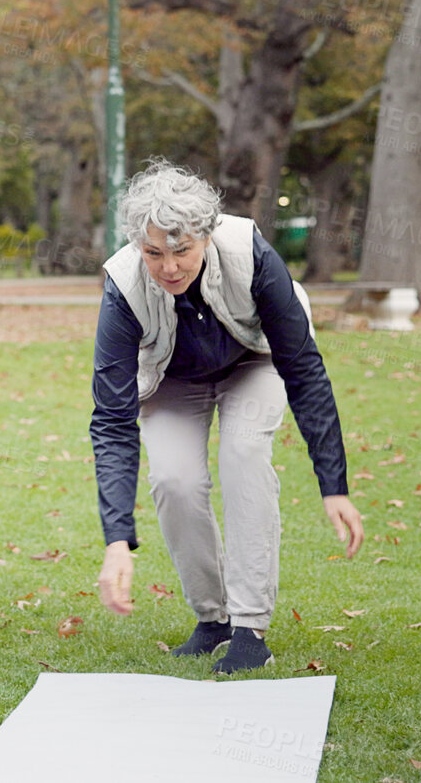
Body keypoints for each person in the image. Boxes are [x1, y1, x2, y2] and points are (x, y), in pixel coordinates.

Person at [90, 162, 363, 674]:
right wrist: (117, 539)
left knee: (243, 452)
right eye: (153, 253)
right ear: (137, 247)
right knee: (174, 480)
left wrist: (334, 485)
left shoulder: (250, 253)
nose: (169, 267)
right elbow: (111, 418)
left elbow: (303, 370)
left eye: (181, 251)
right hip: (172, 376)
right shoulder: (123, 286)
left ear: (206, 236)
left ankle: (249, 627)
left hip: (253, 361)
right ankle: (212, 618)